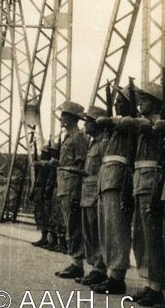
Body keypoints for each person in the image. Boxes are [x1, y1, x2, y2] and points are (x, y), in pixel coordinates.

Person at [121, 83, 165, 306]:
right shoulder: (145, 125)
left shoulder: (157, 124)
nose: (140, 103)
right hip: (141, 183)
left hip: (152, 184)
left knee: (153, 237)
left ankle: (157, 288)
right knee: (142, 237)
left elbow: (147, 125)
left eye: (145, 100)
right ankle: (149, 283)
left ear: (156, 103)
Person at [92, 85, 135, 295]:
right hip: (107, 180)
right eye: (116, 102)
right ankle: (111, 272)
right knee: (107, 228)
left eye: (121, 102)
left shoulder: (128, 125)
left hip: (118, 181)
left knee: (117, 229)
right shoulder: (116, 129)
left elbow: (123, 122)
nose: (117, 105)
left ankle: (117, 276)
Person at [53, 101, 88, 279]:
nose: (61, 118)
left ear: (72, 118)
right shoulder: (69, 136)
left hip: (72, 184)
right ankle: (75, 261)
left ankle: (77, 263)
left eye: (65, 115)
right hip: (65, 185)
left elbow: (81, 163)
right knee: (69, 224)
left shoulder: (78, 138)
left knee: (74, 224)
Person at [77, 106, 108, 286]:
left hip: (95, 192)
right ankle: (95, 267)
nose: (86, 124)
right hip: (86, 190)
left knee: (97, 231)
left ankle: (100, 268)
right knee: (89, 231)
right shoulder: (93, 142)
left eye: (89, 120)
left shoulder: (103, 142)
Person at [30, 144, 52, 247]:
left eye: (43, 153)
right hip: (38, 190)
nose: (41, 155)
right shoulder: (41, 165)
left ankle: (47, 238)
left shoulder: (47, 165)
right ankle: (43, 237)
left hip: (44, 190)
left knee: (45, 215)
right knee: (39, 214)